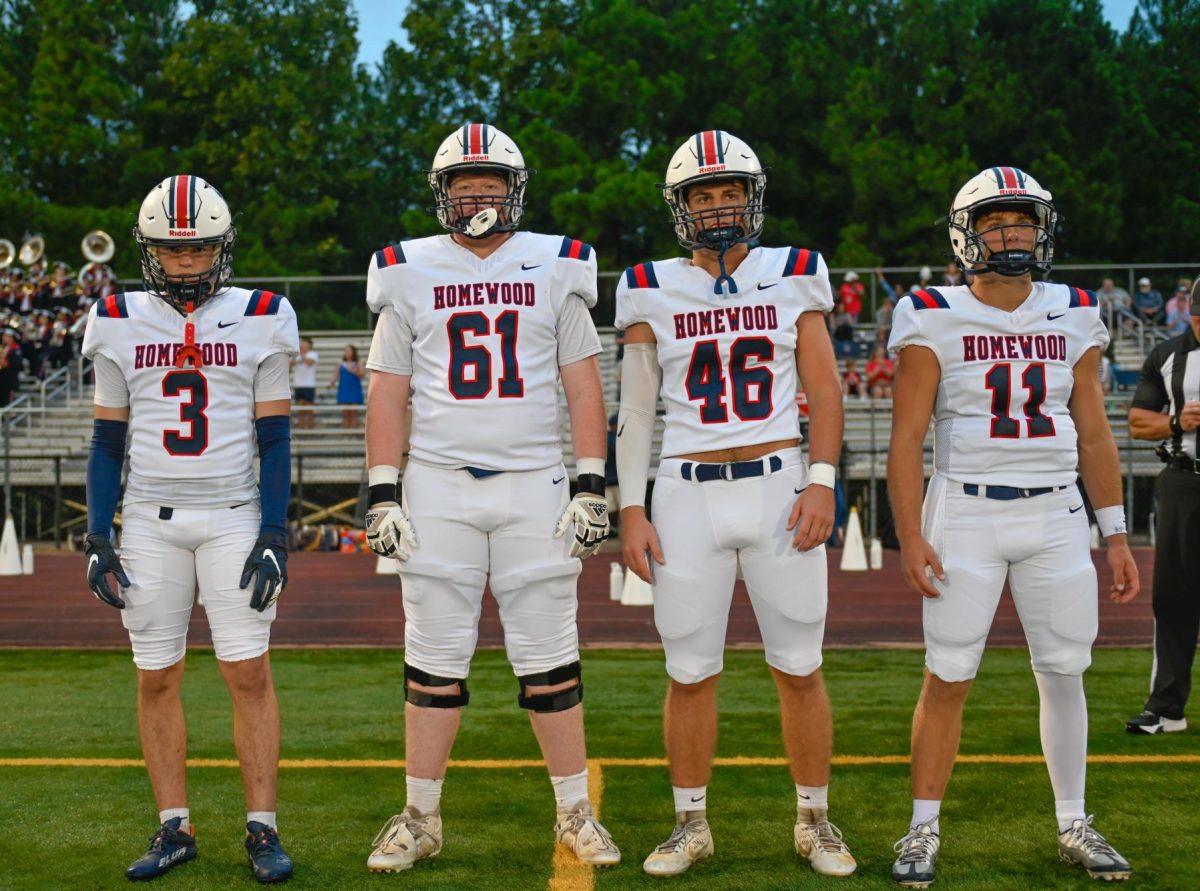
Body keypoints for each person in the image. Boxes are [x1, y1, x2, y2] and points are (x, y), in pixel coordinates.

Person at [362, 122, 620, 873]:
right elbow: (389, 389)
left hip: (535, 482)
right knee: (433, 659)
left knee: (550, 658)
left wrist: (590, 482)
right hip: (439, 483)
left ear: (515, 189)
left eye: (491, 181)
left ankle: (575, 809)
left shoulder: (557, 263)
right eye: (464, 182)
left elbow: (581, 382)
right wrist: (383, 491)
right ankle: (420, 815)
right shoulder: (406, 268)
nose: (478, 193)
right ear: (442, 193)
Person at [887, 166, 1139, 886]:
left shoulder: (1076, 308)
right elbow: (906, 437)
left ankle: (1073, 822)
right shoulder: (931, 310)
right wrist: (910, 532)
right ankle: (921, 827)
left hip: (1058, 510)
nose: (1011, 233)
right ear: (967, 234)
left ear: (1043, 229)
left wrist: (1115, 532)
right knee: (948, 674)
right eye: (996, 221)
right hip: (965, 508)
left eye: (1022, 220)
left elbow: (1093, 430)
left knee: (1065, 672)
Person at [616, 129, 855, 879]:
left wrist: (823, 476)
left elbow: (826, 385)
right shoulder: (649, 283)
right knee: (689, 670)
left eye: (728, 193)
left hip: (780, 482)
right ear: (681, 207)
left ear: (752, 200)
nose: (717, 207)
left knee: (800, 664)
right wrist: (630, 507)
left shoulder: (795, 271)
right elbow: (638, 407)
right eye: (702, 195)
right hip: (686, 490)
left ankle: (814, 816)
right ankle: (691, 821)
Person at [81, 175, 298, 883]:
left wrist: (274, 529)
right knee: (156, 675)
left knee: (248, 671)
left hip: (234, 514)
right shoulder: (116, 316)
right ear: (149, 251)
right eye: (172, 249)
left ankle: (261, 827)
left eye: (198, 247)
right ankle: (174, 824)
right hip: (148, 517)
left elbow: (274, 437)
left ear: (221, 247)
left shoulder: (264, 312)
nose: (185, 261)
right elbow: (107, 442)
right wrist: (98, 534)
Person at [1124, 279, 1200, 735]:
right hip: (1184, 478)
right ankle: (1168, 707)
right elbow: (1137, 421)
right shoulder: (1169, 355)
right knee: (1173, 594)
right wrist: (1177, 421)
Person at [331, 343, 365, 428]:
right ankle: (347, 435)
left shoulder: (358, 363)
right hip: (344, 390)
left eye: (349, 351)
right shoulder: (340, 363)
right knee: (345, 413)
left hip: (354, 389)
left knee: (354, 413)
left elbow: (362, 375)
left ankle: (354, 435)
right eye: (346, 351)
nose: (347, 352)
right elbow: (335, 375)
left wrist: (352, 371)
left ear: (353, 352)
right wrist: (332, 381)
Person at [291, 336, 318, 428]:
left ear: (309, 345)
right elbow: (291, 365)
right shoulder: (297, 355)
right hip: (298, 385)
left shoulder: (313, 354)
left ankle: (311, 429)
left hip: (309, 385)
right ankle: (302, 429)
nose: (303, 345)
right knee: (300, 410)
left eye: (305, 343)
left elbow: (309, 362)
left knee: (309, 410)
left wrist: (301, 354)